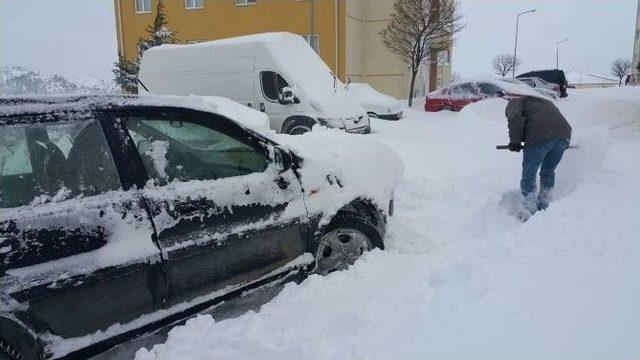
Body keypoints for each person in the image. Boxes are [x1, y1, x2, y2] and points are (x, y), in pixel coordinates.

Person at [505, 95, 572, 220]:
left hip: (539, 135)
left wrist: (515, 142)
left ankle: (529, 208)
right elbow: (554, 120)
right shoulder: (545, 102)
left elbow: (515, 119)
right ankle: (545, 204)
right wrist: (560, 142)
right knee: (548, 171)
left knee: (529, 172)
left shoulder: (514, 102)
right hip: (564, 135)